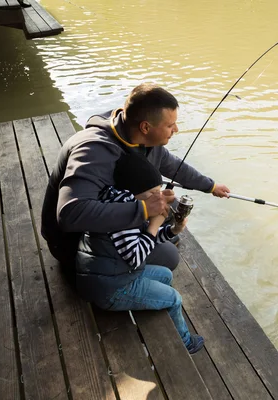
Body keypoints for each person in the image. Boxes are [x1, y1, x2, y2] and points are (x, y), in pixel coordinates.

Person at [41, 83, 230, 284]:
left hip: (108, 223)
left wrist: (210, 186)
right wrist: (143, 209)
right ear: (146, 127)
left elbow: (173, 165)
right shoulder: (93, 150)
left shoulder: (137, 135)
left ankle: (147, 237)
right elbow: (70, 214)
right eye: (169, 125)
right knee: (169, 257)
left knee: (172, 207)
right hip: (74, 246)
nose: (176, 129)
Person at [76, 152, 204, 353]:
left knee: (165, 274)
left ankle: (152, 303)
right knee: (174, 298)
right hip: (110, 289)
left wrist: (172, 230)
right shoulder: (123, 215)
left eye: (159, 192)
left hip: (109, 274)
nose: (157, 198)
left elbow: (142, 241)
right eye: (152, 193)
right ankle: (186, 343)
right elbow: (136, 257)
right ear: (133, 191)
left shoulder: (123, 202)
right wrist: (154, 225)